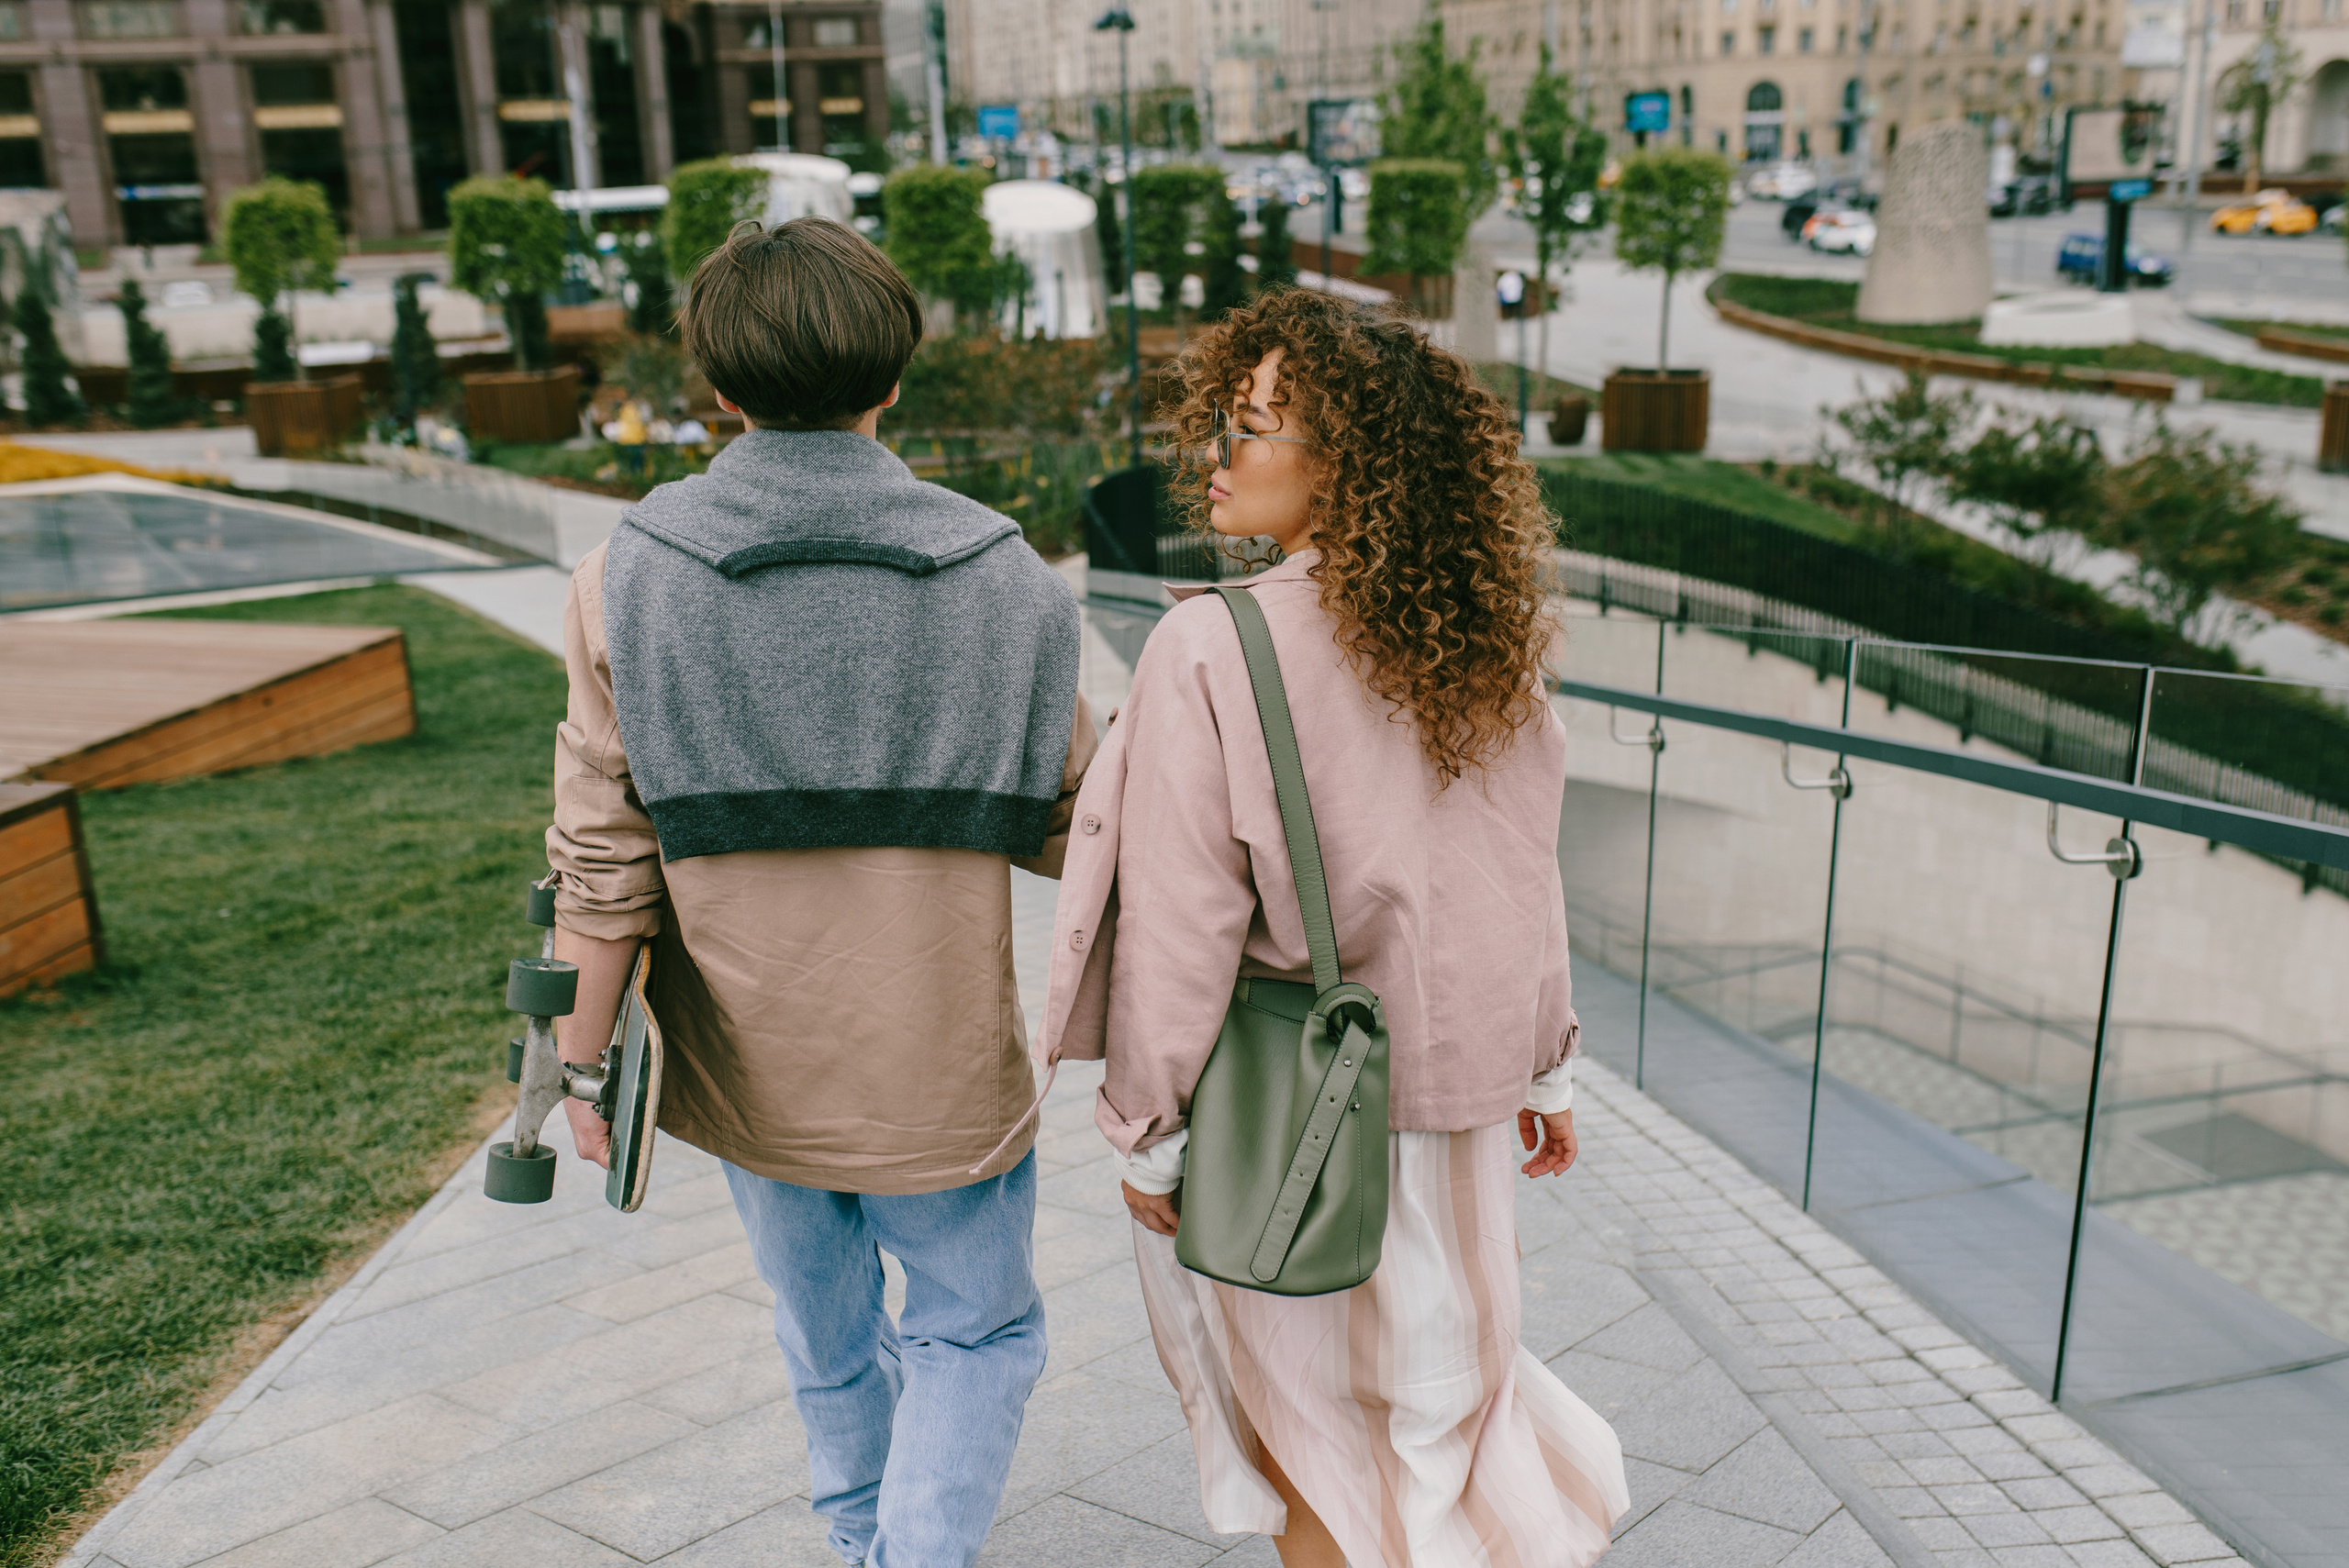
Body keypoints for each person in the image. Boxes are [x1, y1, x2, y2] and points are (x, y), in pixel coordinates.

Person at [1037, 288, 1630, 1567]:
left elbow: (1185, 929)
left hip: (1289, 1122)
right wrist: (1548, 1063)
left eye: (1252, 429)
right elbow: (1527, 874)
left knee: (1312, 1446)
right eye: (1226, 422)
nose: (1216, 453)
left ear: (1347, 467)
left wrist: (1147, 1132)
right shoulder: (1483, 651)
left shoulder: (1213, 648)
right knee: (1444, 1431)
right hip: (1459, 1113)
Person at [543, 217, 1096, 1568]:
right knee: (976, 1327)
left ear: (719, 387)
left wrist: (575, 1056)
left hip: (745, 1062)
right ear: (892, 377)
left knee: (824, 1326)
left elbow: (600, 858)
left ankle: (863, 1540)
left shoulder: (627, 580)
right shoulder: (1005, 576)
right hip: (939, 1069)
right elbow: (1086, 827)